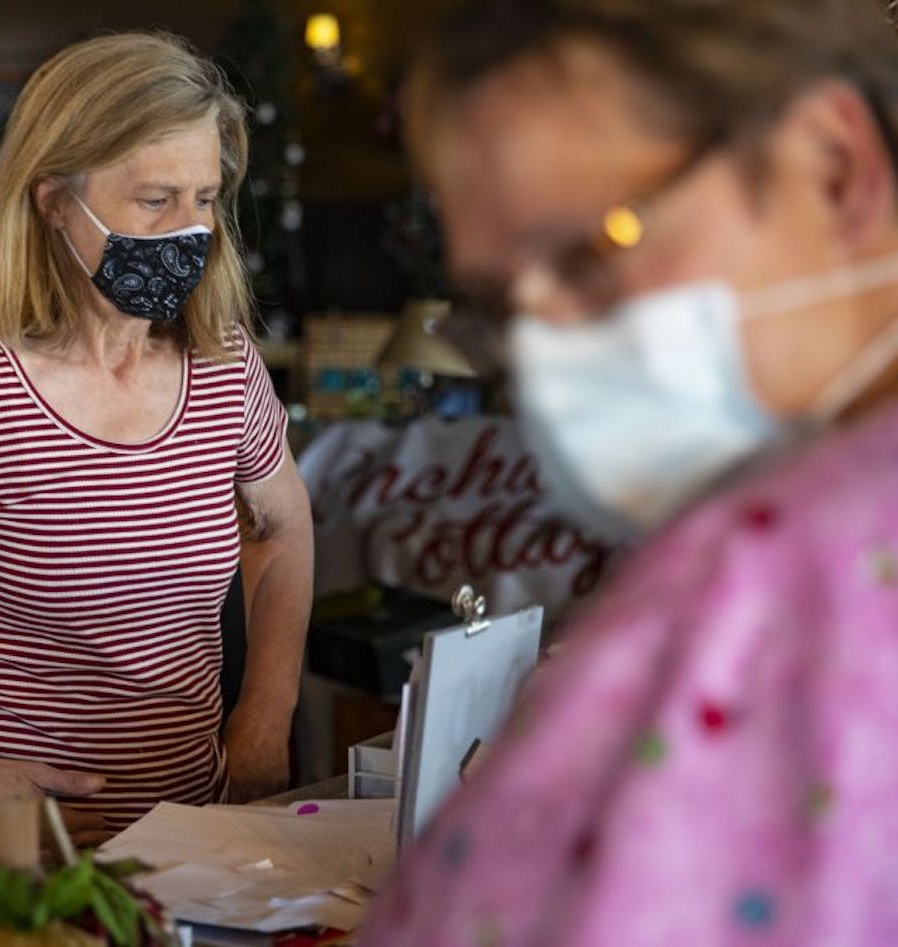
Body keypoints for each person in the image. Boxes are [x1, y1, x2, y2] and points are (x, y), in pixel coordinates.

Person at [361, 1, 898, 944]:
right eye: (500, 309)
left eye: (588, 254)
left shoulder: (785, 570)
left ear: (831, 167)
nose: (554, 352)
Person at [0, 32, 314, 895]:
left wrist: (266, 714)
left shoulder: (222, 366)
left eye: (206, 197)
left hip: (181, 862)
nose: (190, 231)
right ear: (54, 202)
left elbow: (282, 529)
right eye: (155, 199)